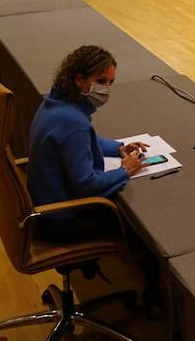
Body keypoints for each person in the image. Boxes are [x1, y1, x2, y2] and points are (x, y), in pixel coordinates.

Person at [27, 45, 147, 242]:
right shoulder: (73, 122)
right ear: (79, 80)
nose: (107, 88)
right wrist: (125, 171)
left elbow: (84, 143)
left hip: (45, 207)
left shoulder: (55, 103)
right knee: (138, 228)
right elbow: (87, 186)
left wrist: (118, 148)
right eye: (101, 81)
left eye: (111, 82)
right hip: (62, 221)